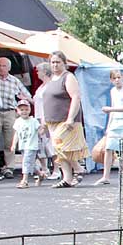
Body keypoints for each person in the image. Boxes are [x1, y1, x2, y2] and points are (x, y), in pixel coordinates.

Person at [42, 50, 88, 187]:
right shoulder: (51, 79)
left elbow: (76, 97)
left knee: (59, 145)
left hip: (66, 120)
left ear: (64, 63)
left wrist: (70, 118)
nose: (55, 65)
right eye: (52, 62)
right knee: (58, 150)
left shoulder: (68, 77)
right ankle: (67, 178)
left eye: (58, 62)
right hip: (52, 120)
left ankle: (79, 168)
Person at [96, 69, 123, 185]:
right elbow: (113, 109)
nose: (117, 80)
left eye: (119, 77)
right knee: (109, 148)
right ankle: (106, 176)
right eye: (114, 78)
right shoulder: (113, 91)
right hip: (115, 122)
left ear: (122, 77)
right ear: (111, 80)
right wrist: (108, 127)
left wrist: (110, 109)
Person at [0, 57, 32, 179]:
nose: (1, 68)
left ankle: (9, 167)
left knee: (10, 142)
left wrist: (23, 99)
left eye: (4, 66)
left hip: (10, 112)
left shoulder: (14, 81)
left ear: (9, 68)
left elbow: (28, 96)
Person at [33, 62, 55, 180]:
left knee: (50, 144)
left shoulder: (49, 86)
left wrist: (44, 121)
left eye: (38, 70)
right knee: (41, 145)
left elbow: (48, 103)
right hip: (38, 117)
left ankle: (56, 170)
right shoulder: (41, 86)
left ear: (45, 72)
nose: (37, 73)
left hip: (45, 117)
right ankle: (45, 169)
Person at [10, 99, 40, 188]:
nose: (24, 112)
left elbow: (40, 130)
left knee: (26, 161)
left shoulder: (33, 121)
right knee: (30, 163)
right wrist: (13, 144)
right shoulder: (18, 121)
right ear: (18, 111)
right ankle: (40, 174)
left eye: (26, 109)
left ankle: (25, 180)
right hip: (23, 145)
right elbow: (16, 134)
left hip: (31, 145)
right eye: (22, 110)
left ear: (30, 110)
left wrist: (42, 129)